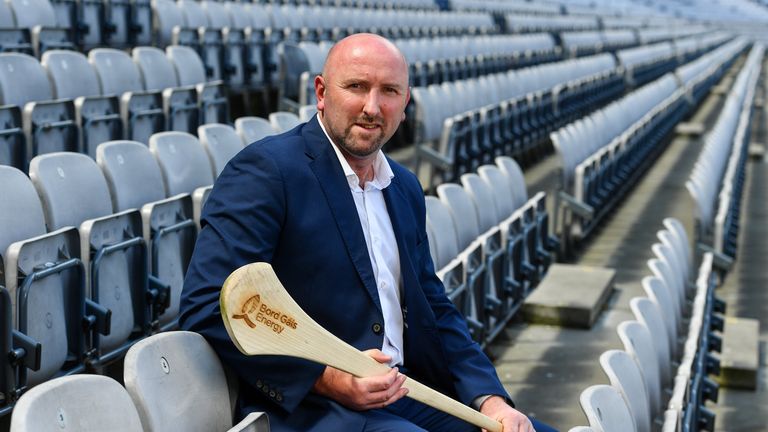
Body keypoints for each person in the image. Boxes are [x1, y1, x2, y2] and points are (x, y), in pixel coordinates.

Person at [180, 33, 556, 432]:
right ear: (321, 93)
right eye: (356, 87)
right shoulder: (265, 172)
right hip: (313, 408)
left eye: (389, 91)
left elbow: (434, 308)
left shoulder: (404, 187)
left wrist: (491, 400)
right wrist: (329, 378)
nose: (372, 107)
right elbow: (209, 306)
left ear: (405, 103)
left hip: (404, 392)